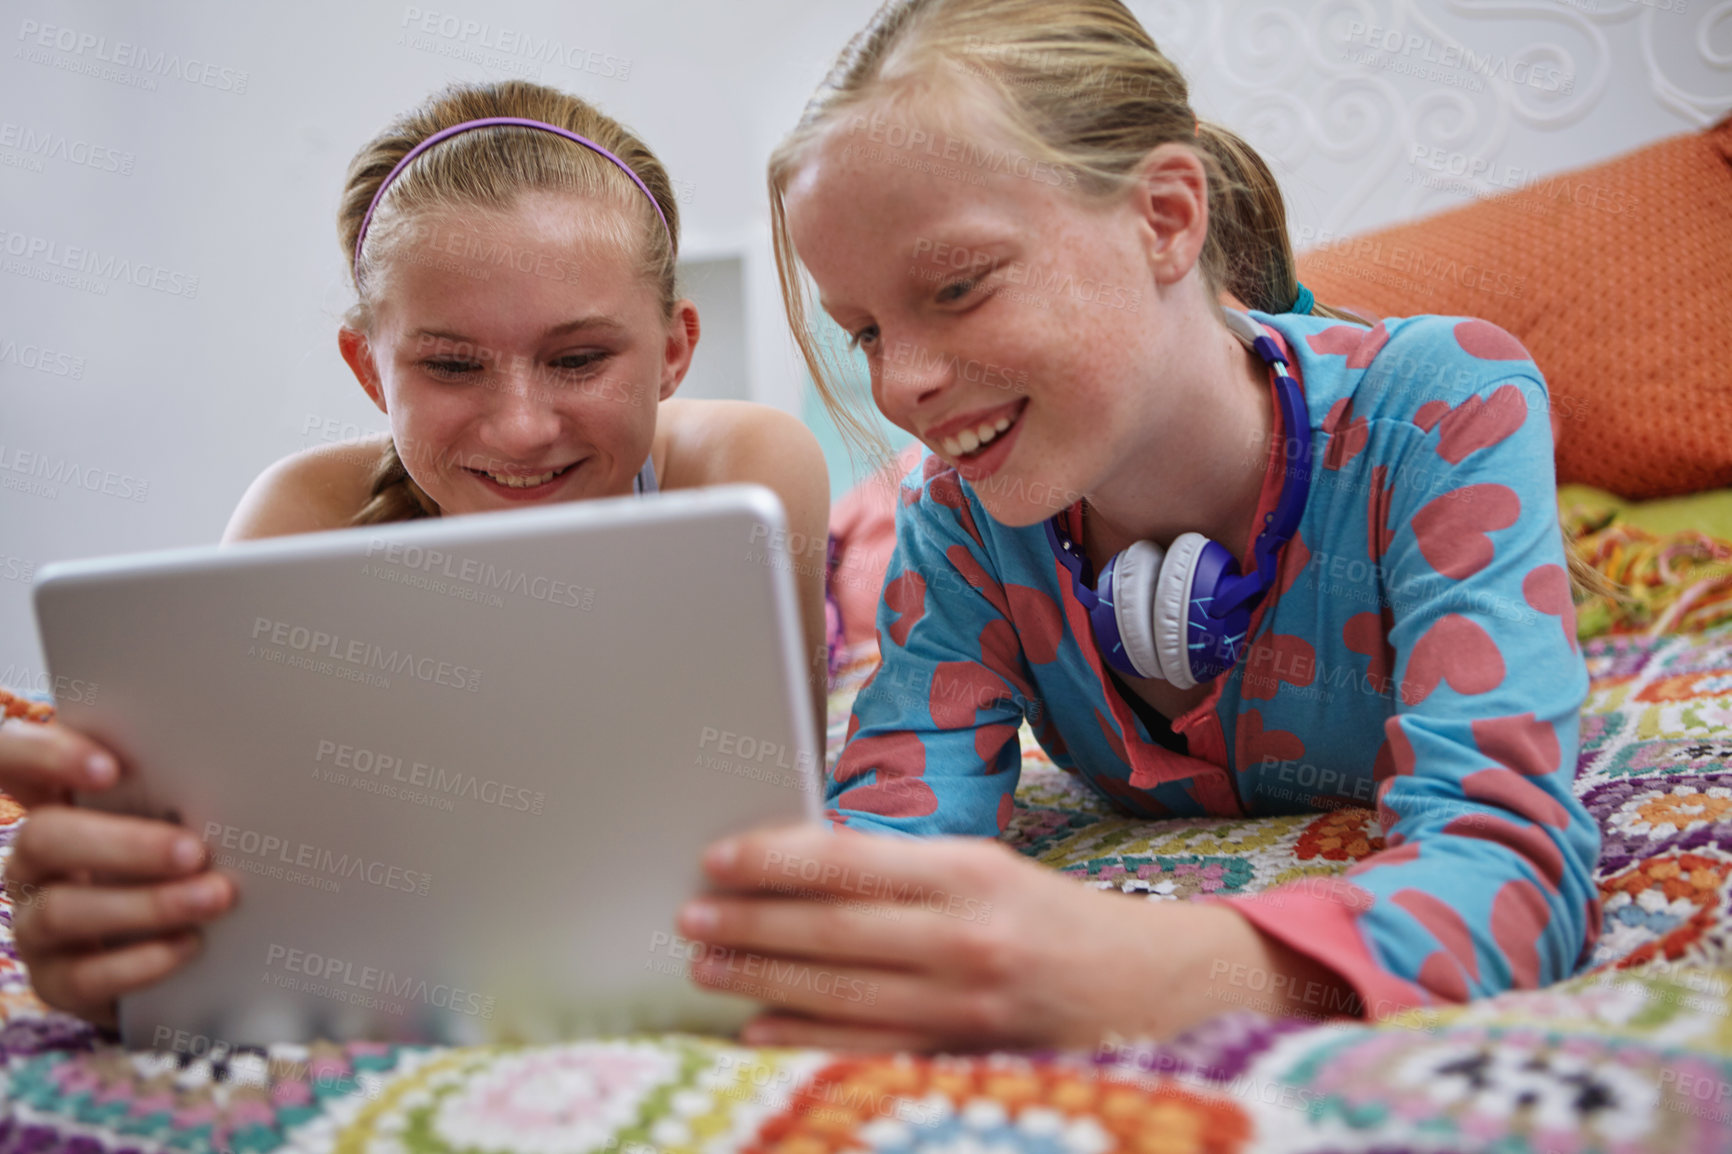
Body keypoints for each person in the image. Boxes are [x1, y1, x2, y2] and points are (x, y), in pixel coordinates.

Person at [672, 0, 1601, 1052]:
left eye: (959, 287)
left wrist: (1155, 970)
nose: (905, 382)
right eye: (867, 331)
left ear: (1164, 217)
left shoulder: (1443, 403)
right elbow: (896, 826)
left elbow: (1513, 865)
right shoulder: (956, 515)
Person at [0, 80, 830, 1030]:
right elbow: (235, 877)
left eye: (579, 359)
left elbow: (759, 842)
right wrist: (135, 948)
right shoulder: (302, 513)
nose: (521, 429)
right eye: (449, 364)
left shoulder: (746, 475)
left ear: (675, 351)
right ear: (369, 369)